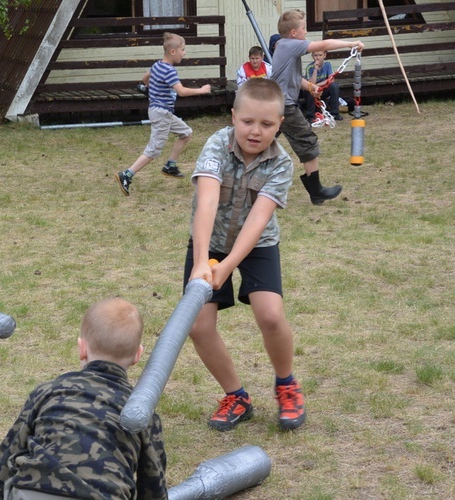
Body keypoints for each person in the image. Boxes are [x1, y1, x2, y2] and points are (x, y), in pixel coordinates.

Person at [184, 78, 304, 433]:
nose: (255, 131)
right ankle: (236, 396)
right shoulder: (216, 145)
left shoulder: (281, 165)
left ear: (279, 124)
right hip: (210, 240)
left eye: (267, 124)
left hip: (258, 243)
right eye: (247, 121)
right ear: (233, 116)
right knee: (198, 325)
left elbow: (258, 219)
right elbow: (206, 201)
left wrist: (229, 266)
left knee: (270, 315)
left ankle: (286, 385)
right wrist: (202, 261)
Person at [0, 298, 167, 499]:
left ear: (82, 348)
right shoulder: (141, 411)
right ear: (138, 355)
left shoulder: (49, 391)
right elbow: (153, 484)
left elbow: (6, 456)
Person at [270, 9, 364, 205]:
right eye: (303, 28)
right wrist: (351, 43)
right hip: (284, 107)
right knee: (308, 141)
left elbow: (294, 78)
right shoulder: (290, 44)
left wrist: (310, 86)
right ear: (294, 33)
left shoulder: (283, 45)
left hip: (273, 104)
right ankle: (317, 191)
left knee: (261, 143)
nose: (306, 32)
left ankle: (241, 180)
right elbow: (323, 45)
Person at [115, 32, 211, 196]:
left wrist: (150, 90)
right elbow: (180, 91)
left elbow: (145, 78)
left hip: (162, 112)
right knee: (153, 150)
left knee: (186, 133)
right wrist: (201, 91)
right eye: (183, 49)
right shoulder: (169, 71)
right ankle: (127, 174)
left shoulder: (157, 65)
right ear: (173, 52)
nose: (185, 53)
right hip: (162, 113)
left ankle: (170, 165)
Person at [303, 50, 342, 121]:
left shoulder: (328, 64)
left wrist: (318, 85)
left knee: (334, 86)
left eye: (320, 55)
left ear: (324, 55)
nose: (318, 58)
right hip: (313, 91)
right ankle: (310, 116)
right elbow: (311, 83)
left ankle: (334, 113)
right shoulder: (309, 67)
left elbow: (331, 79)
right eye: (315, 55)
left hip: (323, 89)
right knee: (309, 90)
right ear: (312, 56)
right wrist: (315, 69)